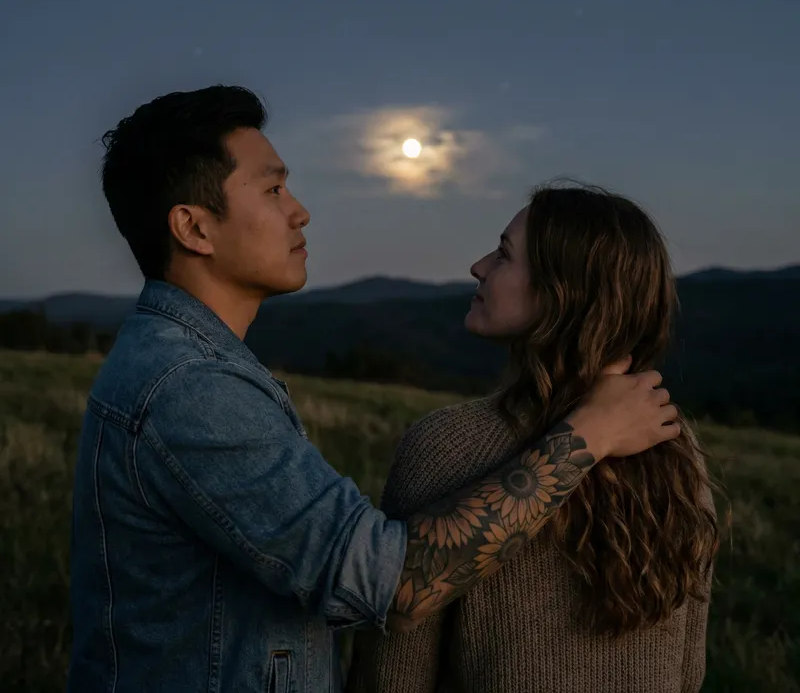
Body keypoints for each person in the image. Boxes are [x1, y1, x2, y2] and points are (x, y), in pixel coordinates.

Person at [66, 86, 680, 693]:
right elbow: (395, 584)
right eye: (274, 189)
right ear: (194, 228)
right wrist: (589, 435)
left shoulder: (196, 368)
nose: (299, 210)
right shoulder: (191, 388)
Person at [346, 183, 720, 693]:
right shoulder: (676, 446)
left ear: (561, 292)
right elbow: (689, 672)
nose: (478, 266)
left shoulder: (448, 447)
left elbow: (391, 678)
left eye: (503, 255)